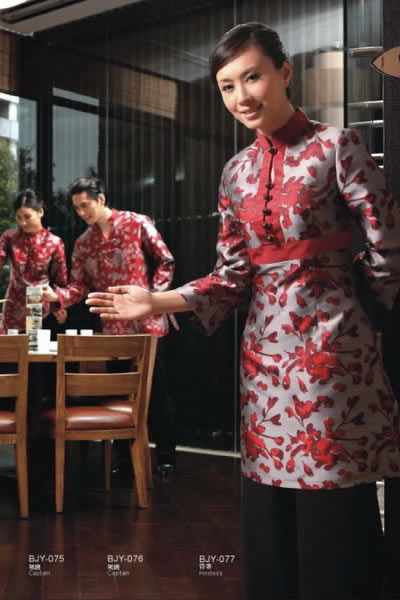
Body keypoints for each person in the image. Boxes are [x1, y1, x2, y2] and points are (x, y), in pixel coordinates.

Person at [86, 23, 400, 600]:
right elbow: (232, 275)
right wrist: (156, 300)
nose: (241, 96)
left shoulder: (338, 146)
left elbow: (389, 245)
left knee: (332, 513)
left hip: (333, 356)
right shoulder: (235, 172)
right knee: (268, 515)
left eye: (252, 77)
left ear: (285, 72)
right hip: (263, 361)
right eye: (227, 86)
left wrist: (362, 315)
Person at [43, 177, 177, 475]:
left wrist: (154, 298)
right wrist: (58, 297)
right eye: (77, 208)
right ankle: (123, 460)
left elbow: (165, 261)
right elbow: (79, 286)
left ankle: (166, 456)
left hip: (148, 325)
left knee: (156, 391)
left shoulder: (137, 223)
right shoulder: (83, 243)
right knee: (118, 393)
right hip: (113, 330)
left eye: (85, 206)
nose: (81, 213)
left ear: (101, 199)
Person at [0, 188, 67, 334]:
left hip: (40, 306)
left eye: (27, 216)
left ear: (40, 212)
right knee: (9, 347)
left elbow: (60, 280)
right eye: (18, 217)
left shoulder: (54, 242)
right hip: (13, 308)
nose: (23, 222)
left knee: (35, 345)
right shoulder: (9, 237)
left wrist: (59, 305)